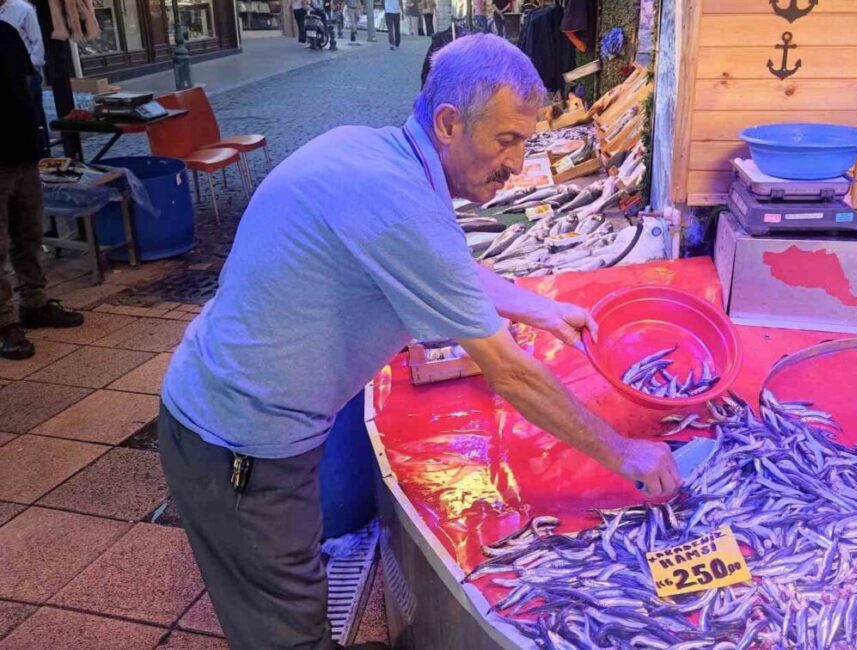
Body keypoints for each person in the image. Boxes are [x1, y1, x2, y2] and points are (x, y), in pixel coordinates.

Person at [158, 33, 679, 650]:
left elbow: (451, 264)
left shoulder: (373, 152)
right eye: (505, 140)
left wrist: (542, 310)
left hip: (239, 418)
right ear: (449, 123)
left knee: (294, 598)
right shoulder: (398, 201)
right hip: (239, 447)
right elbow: (508, 374)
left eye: (524, 141)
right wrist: (625, 454)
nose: (515, 164)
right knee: (286, 631)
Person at [0, 23, 84, 360]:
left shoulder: (6, 32)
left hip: (24, 152)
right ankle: (4, 323)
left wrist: (39, 140)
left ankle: (33, 304)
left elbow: (28, 86)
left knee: (30, 235)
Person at [0, 0, 47, 156]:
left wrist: (29, 67)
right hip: (5, 74)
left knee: (32, 113)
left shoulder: (23, 9)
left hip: (25, 71)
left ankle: (41, 152)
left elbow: (37, 42)